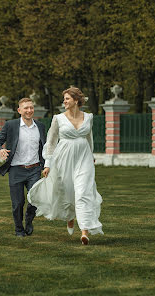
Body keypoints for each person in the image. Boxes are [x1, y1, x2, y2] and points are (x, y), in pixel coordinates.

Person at [27, 86, 103, 245]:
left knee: (83, 192)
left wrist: (92, 155)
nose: (64, 101)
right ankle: (70, 217)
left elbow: (89, 139)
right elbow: (51, 142)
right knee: (67, 191)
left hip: (84, 158)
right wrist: (47, 164)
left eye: (67, 98)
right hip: (64, 158)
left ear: (76, 100)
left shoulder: (88, 117)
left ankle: (84, 231)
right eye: (64, 99)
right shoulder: (58, 118)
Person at [0, 98, 47, 237]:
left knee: (35, 199)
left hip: (34, 169)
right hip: (16, 169)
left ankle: (29, 219)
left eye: (31, 108)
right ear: (19, 110)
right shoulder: (11, 125)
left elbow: (46, 148)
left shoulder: (40, 126)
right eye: (26, 108)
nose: (29, 110)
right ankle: (19, 230)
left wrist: (46, 165)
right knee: (17, 203)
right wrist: (0, 150)